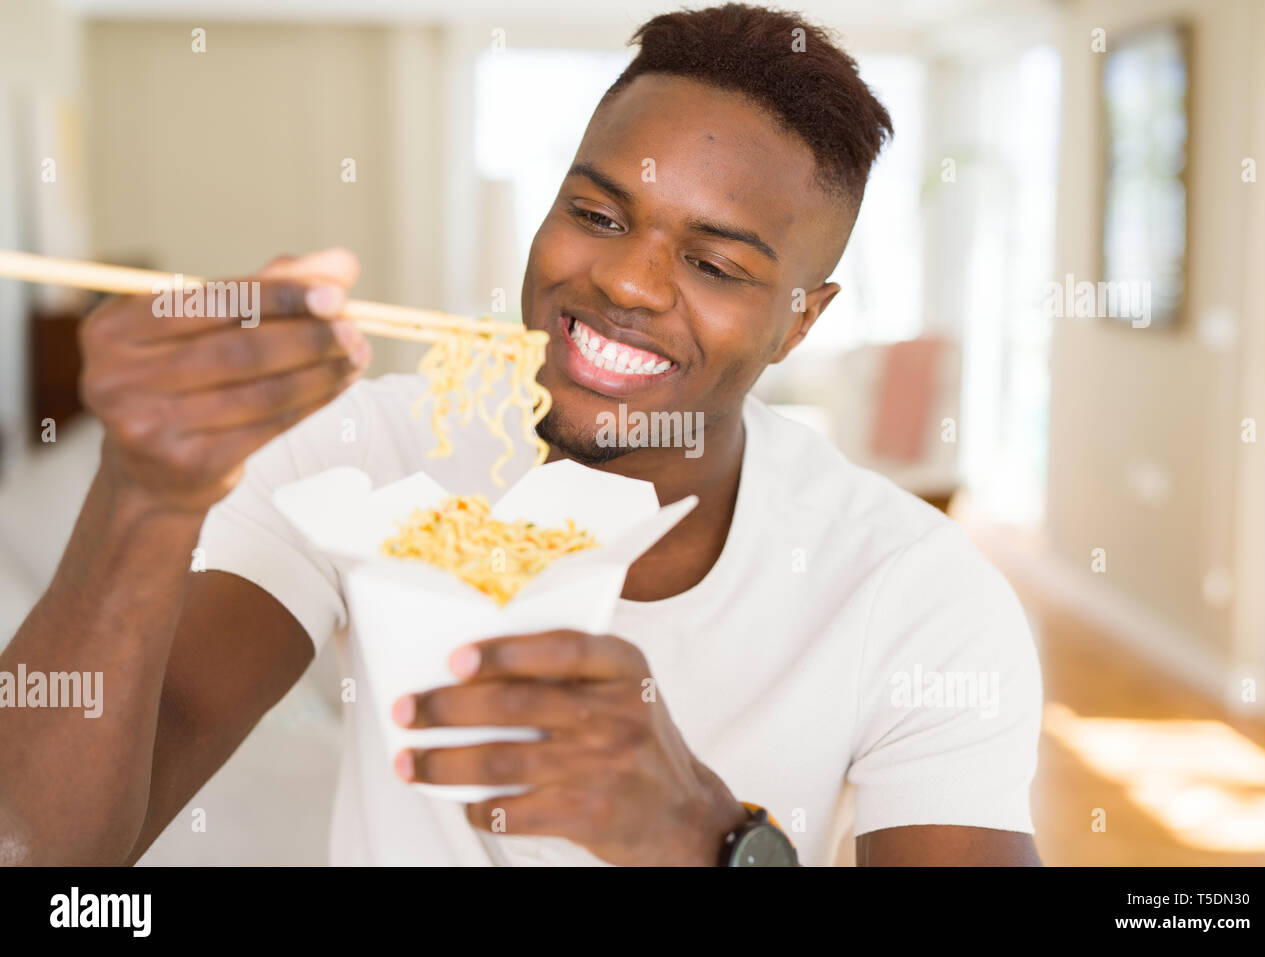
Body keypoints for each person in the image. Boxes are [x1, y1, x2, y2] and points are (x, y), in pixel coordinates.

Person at [0, 3, 1041, 866]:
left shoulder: (916, 593)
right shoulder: (364, 450)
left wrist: (709, 839)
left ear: (801, 321)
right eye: (595, 214)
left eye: (716, 266)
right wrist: (140, 496)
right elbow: (47, 854)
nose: (625, 281)